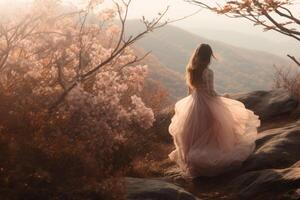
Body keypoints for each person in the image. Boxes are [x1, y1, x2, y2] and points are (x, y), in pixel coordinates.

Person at [168, 44, 260, 178]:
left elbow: (190, 91)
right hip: (206, 103)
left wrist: (190, 104)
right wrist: (223, 97)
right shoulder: (208, 72)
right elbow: (211, 93)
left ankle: (190, 161)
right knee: (214, 129)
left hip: (193, 102)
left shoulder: (191, 69)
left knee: (193, 132)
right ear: (209, 56)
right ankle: (205, 159)